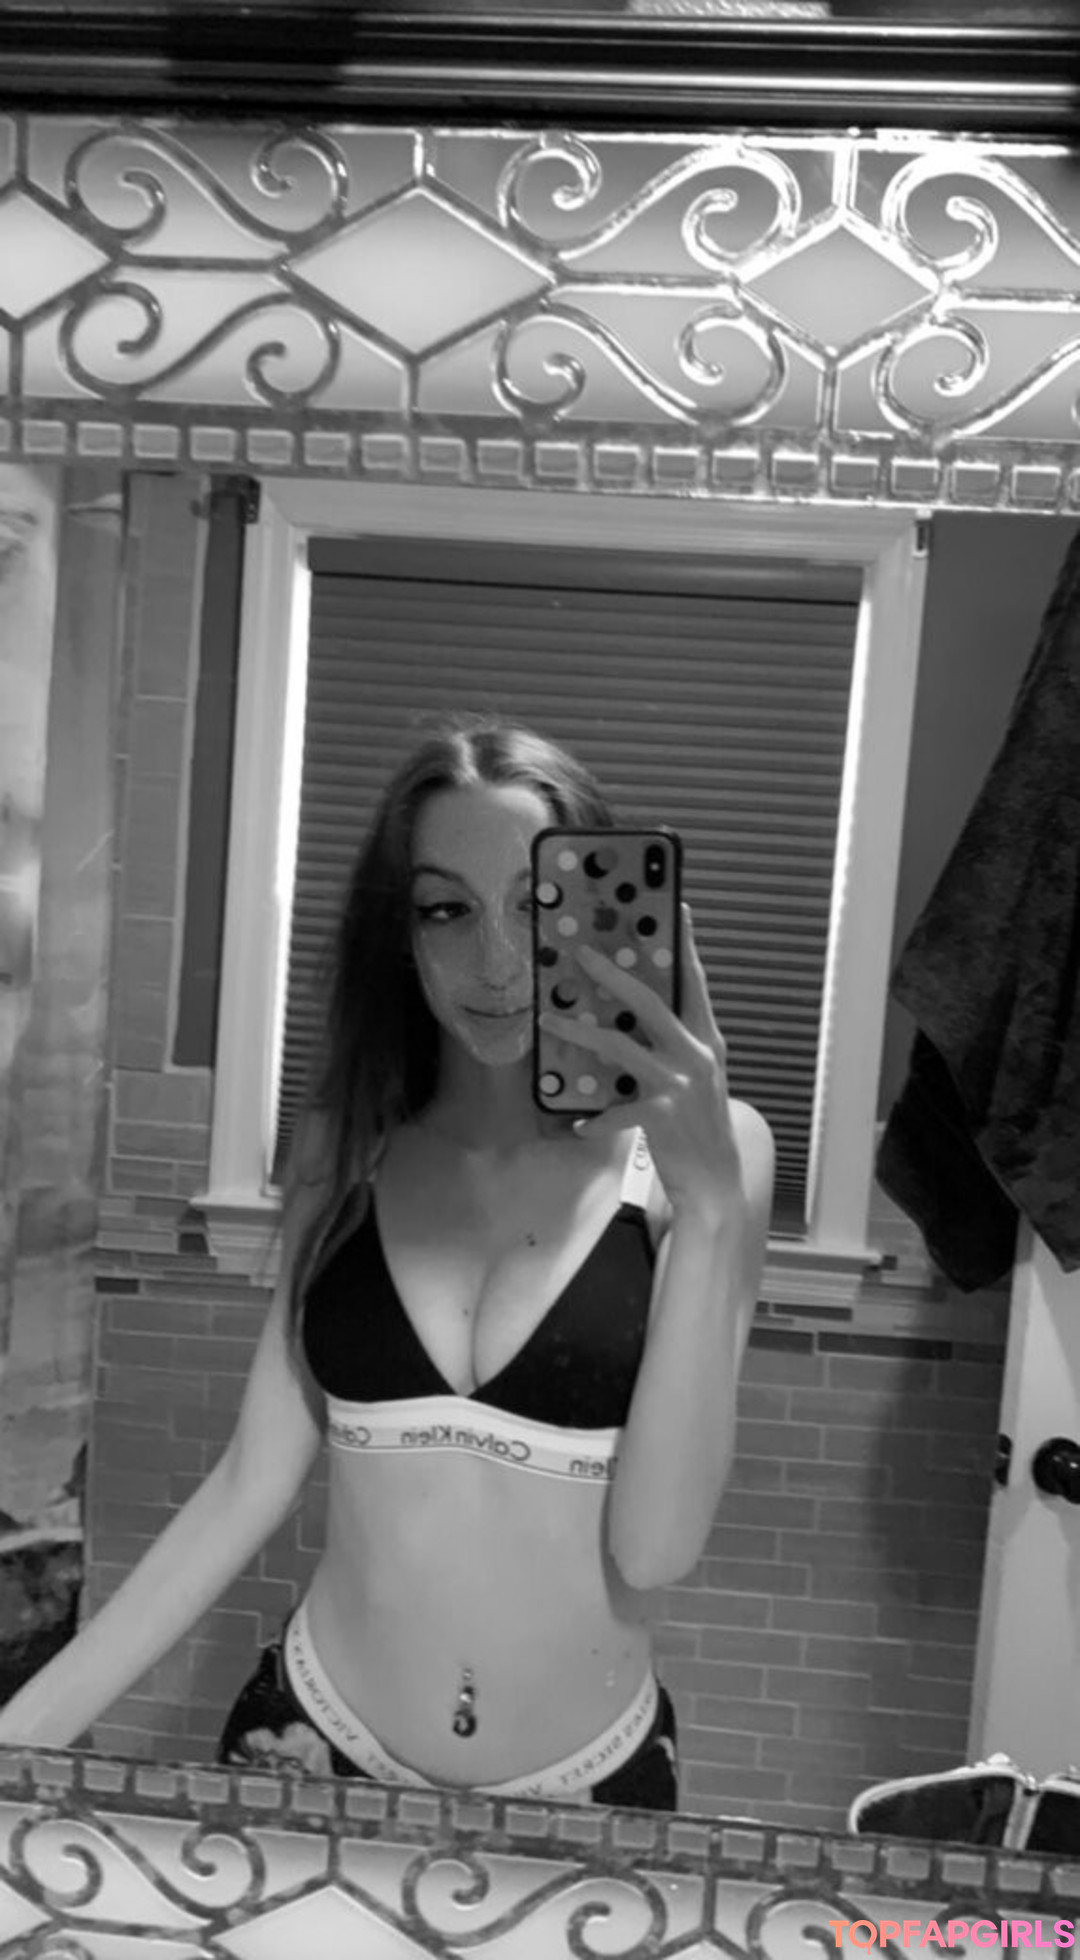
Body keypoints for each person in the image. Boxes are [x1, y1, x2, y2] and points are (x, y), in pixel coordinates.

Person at [0, 717, 774, 1809]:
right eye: (447, 910)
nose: (496, 963)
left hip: (590, 1779)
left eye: (537, 907)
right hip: (310, 1741)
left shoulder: (710, 1159)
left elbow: (656, 1550)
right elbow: (251, 1480)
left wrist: (710, 1205)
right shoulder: (346, 1144)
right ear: (400, 934)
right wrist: (24, 1734)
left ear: (600, 916)